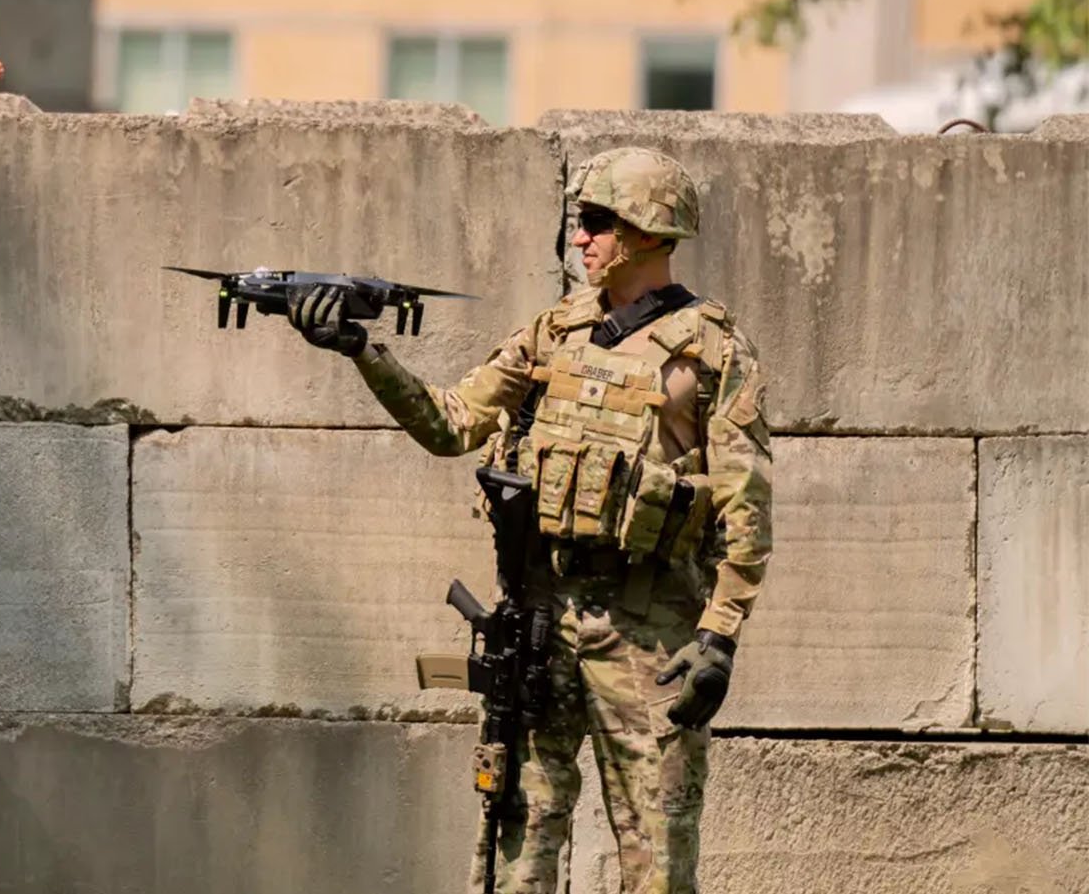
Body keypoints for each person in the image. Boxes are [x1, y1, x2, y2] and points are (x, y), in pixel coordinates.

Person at [287, 148, 772, 893]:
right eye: (580, 223)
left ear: (646, 230)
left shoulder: (710, 351)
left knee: (660, 865)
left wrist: (719, 637)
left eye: (596, 223)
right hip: (542, 625)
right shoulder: (554, 332)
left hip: (650, 638)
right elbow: (452, 422)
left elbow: (747, 504)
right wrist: (362, 350)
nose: (580, 239)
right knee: (515, 851)